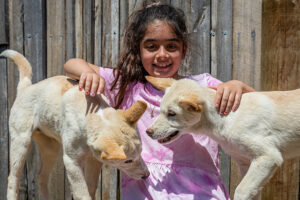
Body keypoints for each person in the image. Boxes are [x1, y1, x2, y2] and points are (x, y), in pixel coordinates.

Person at [64, 2, 255, 200]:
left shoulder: (202, 87)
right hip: (145, 192)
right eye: (151, 46)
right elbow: (71, 64)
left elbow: (253, 105)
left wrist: (237, 86)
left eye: (171, 46)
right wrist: (87, 73)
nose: (162, 55)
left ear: (184, 50)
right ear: (139, 50)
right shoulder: (127, 86)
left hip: (203, 193)